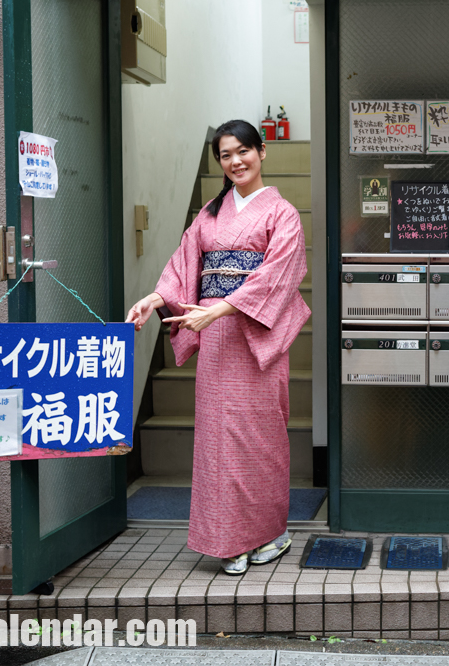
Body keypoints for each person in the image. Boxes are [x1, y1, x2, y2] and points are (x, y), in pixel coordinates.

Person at [126, 119, 310, 575]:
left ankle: (271, 532)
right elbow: (184, 263)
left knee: (259, 438)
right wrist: (154, 298)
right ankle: (230, 540)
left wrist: (220, 309)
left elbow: (278, 277)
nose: (236, 162)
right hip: (216, 339)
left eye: (243, 151)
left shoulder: (281, 214)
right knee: (218, 441)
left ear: (262, 152)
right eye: (226, 155)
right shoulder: (209, 214)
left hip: (255, 339)